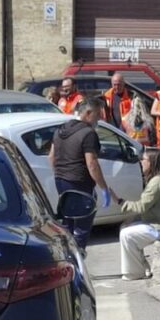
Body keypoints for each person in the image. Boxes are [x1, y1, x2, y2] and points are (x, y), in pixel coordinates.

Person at [48, 99, 112, 250]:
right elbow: (92, 164)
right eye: (98, 114)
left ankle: (67, 260)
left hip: (61, 182)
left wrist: (60, 173)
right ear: (88, 113)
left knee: (68, 225)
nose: (99, 118)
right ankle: (78, 264)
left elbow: (51, 156)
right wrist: (104, 188)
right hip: (80, 184)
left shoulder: (60, 130)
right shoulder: (88, 133)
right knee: (82, 228)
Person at [111, 147, 160, 281]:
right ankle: (143, 267)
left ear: (152, 162)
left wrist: (120, 202)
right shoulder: (159, 179)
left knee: (127, 235)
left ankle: (134, 273)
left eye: (143, 159)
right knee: (125, 227)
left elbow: (142, 206)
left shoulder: (157, 182)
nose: (140, 162)